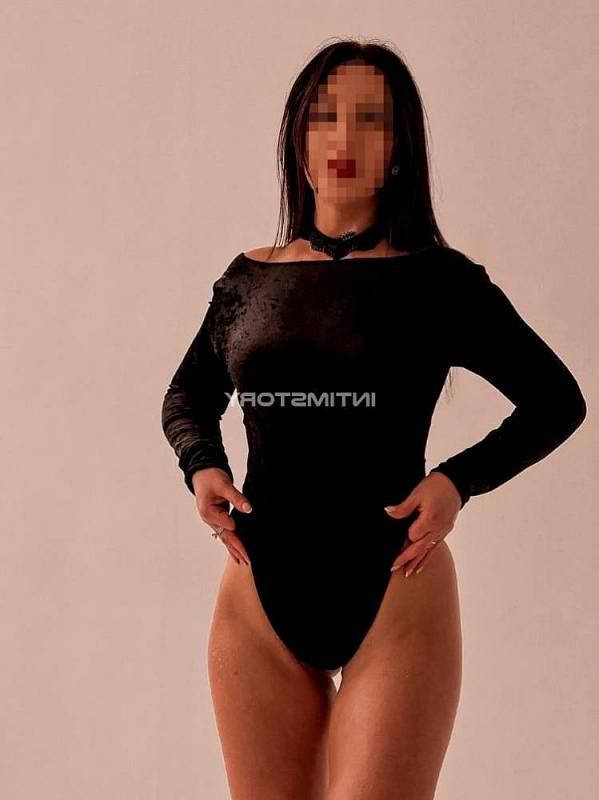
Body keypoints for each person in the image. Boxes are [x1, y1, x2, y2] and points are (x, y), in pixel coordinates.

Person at [160, 40, 587, 800]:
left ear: (400, 146)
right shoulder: (248, 279)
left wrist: (457, 481)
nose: (344, 138)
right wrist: (203, 466)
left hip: (396, 584)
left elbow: (556, 400)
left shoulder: (440, 282)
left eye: (371, 119)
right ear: (297, 134)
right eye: (325, 115)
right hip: (258, 591)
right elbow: (188, 394)